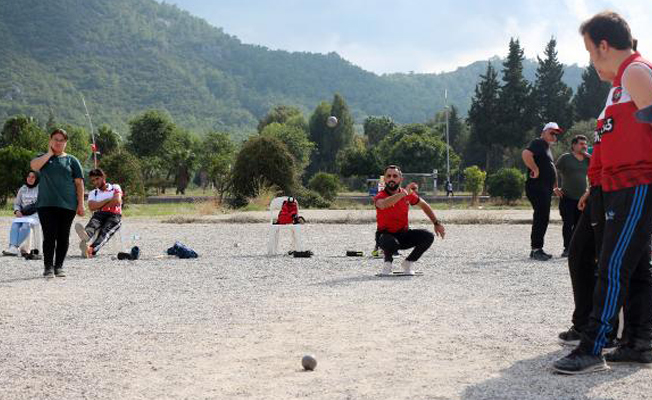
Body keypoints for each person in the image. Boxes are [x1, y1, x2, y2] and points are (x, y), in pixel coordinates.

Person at [553, 11, 652, 374]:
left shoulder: (637, 72)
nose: (591, 59)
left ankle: (593, 346)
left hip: (636, 184)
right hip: (616, 186)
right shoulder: (619, 84)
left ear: (604, 45)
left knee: (610, 265)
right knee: (635, 265)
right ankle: (639, 342)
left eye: (590, 51)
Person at [30, 128, 85, 278]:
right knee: (49, 235)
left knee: (63, 236)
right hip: (46, 204)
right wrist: (49, 153)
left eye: (62, 140)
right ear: (50, 140)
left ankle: (59, 267)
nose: (58, 142)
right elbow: (34, 166)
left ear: (66, 143)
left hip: (68, 205)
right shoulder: (43, 158)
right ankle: (48, 267)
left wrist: (81, 204)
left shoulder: (72, 160)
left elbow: (79, 184)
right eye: (55, 139)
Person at [374, 165, 445, 276]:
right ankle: (387, 264)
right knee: (389, 241)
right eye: (388, 176)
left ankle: (408, 263)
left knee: (428, 236)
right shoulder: (380, 195)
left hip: (403, 235)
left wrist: (436, 223)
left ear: (400, 179)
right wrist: (403, 193)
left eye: (395, 176)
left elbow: (424, 205)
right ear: (385, 179)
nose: (391, 178)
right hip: (385, 236)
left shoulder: (407, 194)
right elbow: (383, 205)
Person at [521, 122, 563, 261]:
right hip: (537, 187)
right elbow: (526, 154)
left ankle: (537, 249)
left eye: (556, 134)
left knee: (543, 216)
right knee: (541, 216)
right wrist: (535, 169)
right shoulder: (539, 142)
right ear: (544, 132)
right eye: (552, 132)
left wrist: (554, 186)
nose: (554, 136)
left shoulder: (546, 148)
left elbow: (551, 168)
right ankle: (536, 249)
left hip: (544, 188)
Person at [75, 168, 123, 258]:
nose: (95, 182)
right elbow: (91, 207)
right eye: (93, 180)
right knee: (93, 222)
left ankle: (90, 249)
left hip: (114, 215)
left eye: (97, 179)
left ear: (103, 177)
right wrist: (108, 200)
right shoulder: (93, 193)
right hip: (100, 214)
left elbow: (117, 201)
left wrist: (99, 205)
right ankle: (86, 235)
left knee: (105, 231)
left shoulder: (115, 187)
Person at [555, 135, 590, 257]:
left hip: (582, 199)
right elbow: (554, 170)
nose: (584, 146)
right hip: (567, 197)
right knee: (568, 223)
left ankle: (576, 249)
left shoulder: (587, 159)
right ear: (573, 145)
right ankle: (567, 249)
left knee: (579, 226)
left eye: (585, 144)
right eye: (581, 143)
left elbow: (598, 168)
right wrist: (555, 187)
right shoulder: (566, 158)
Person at [2, 171, 39, 256]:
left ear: (36, 179)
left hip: (35, 214)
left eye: (33, 177)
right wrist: (17, 211)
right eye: (29, 176)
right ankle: (13, 247)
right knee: (15, 224)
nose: (30, 178)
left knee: (26, 225)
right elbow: (17, 203)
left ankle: (14, 247)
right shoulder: (23, 189)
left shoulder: (40, 189)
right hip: (23, 214)